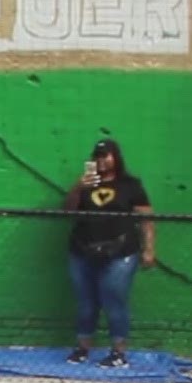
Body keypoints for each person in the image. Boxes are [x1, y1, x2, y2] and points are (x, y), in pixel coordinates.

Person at [63, 137, 155, 367]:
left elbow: (146, 219)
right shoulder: (85, 185)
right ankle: (82, 348)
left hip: (121, 252)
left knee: (114, 298)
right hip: (83, 250)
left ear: (116, 157)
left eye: (106, 155)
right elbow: (67, 212)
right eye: (98, 155)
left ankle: (118, 352)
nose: (101, 160)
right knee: (86, 302)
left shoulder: (130, 185)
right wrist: (77, 188)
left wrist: (149, 249)